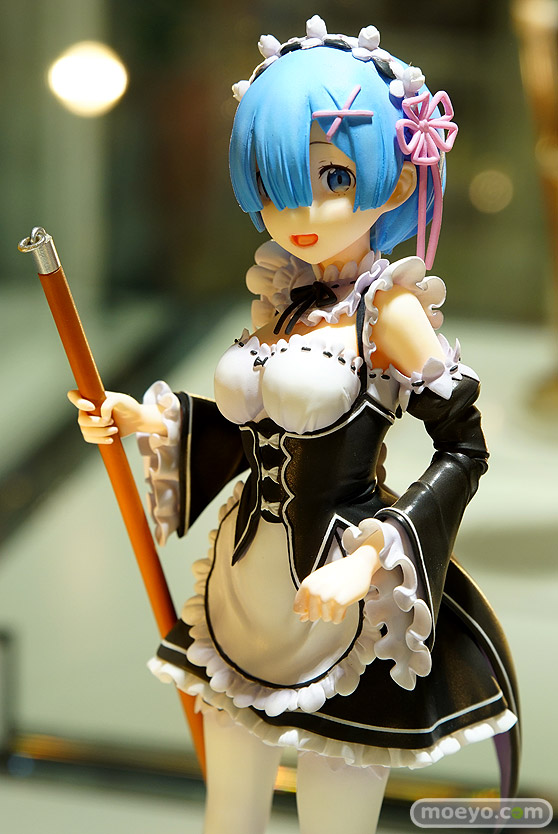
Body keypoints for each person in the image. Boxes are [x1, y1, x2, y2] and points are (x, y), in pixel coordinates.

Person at [69, 16, 519, 834]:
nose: (302, 210)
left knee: (330, 817)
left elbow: (465, 447)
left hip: (338, 601)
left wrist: (374, 556)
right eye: (279, 184)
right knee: (229, 813)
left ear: (395, 178)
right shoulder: (287, 298)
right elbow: (257, 433)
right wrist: (145, 421)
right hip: (244, 589)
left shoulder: (390, 312)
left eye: (334, 176)